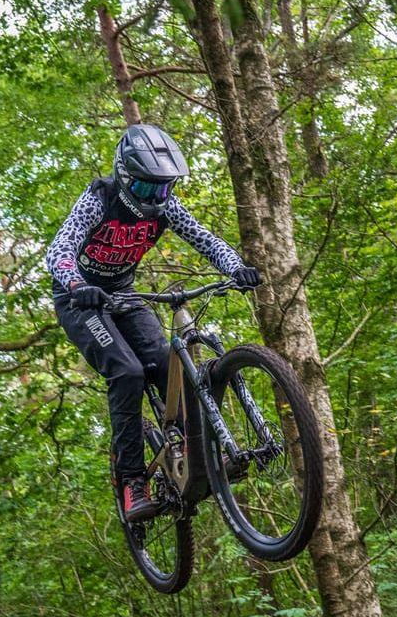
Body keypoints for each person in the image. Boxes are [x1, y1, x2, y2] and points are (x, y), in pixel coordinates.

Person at [45, 123, 260, 521]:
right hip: (81, 300)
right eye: (146, 189)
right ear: (125, 178)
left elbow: (206, 239)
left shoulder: (166, 207)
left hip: (124, 295)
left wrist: (236, 267)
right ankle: (131, 482)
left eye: (163, 188)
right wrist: (77, 283)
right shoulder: (100, 198)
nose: (156, 198)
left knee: (166, 363)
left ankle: (195, 451)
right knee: (126, 373)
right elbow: (60, 249)